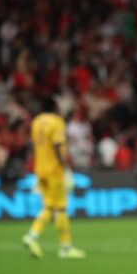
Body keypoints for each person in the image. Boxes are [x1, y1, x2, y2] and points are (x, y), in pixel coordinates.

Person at [22, 97, 86, 259]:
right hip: (54, 170)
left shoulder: (36, 122)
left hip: (40, 169)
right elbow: (57, 145)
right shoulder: (57, 121)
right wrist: (65, 167)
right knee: (61, 208)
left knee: (49, 206)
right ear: (54, 107)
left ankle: (33, 236)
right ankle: (64, 247)